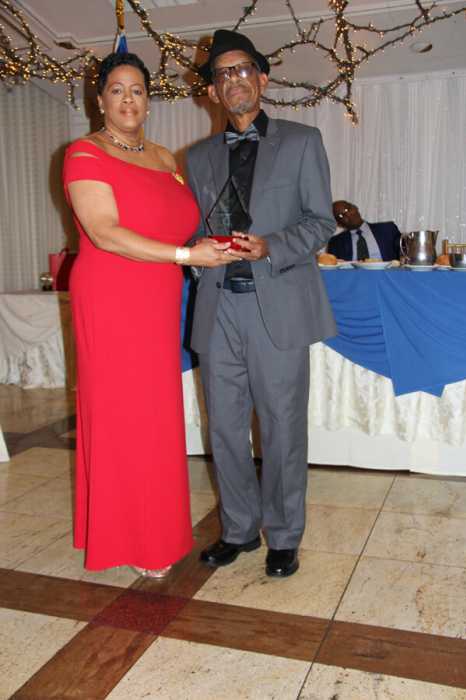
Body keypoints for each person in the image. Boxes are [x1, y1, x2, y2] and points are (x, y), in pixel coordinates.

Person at [63, 52, 238, 578]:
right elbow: (105, 233)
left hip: (159, 296)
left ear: (149, 100)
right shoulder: (84, 153)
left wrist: (212, 245)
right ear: (100, 100)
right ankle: (131, 539)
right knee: (123, 414)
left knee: (156, 415)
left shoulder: (165, 158)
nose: (128, 99)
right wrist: (186, 256)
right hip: (112, 294)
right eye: (116, 90)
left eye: (137, 90)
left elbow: (178, 223)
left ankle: (155, 529)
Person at [186, 30, 336, 578]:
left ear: (262, 79)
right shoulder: (197, 157)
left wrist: (272, 245)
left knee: (281, 426)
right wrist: (192, 252)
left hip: (278, 304)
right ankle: (239, 529)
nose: (233, 80)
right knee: (225, 428)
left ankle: (285, 535)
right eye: (222, 73)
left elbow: (320, 222)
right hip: (218, 306)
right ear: (212, 91)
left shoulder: (302, 141)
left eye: (242, 69)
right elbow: (191, 228)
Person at [328, 200, 401, 261]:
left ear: (355, 207)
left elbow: (404, 251)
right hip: (353, 274)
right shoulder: (336, 242)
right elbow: (333, 268)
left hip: (386, 273)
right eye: (341, 216)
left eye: (347, 209)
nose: (347, 215)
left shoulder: (387, 229)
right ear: (339, 224)